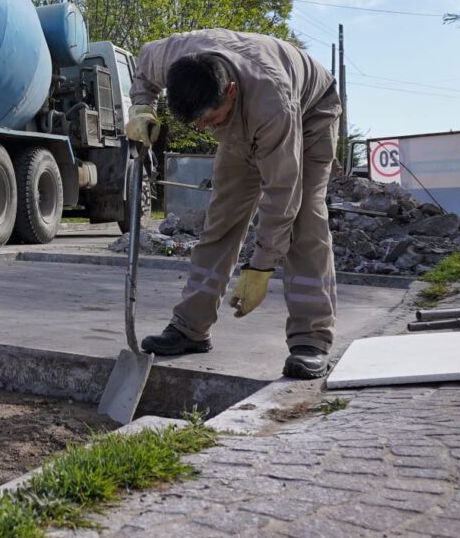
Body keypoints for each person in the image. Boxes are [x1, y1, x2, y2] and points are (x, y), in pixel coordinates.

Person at [125, 29, 341, 379]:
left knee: (304, 220)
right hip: (246, 118)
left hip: (311, 112)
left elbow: (282, 193)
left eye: (210, 120)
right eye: (197, 123)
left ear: (230, 91)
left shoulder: (273, 106)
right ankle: (190, 327)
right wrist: (141, 105)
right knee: (222, 218)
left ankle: (311, 339)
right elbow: (144, 62)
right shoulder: (173, 55)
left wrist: (261, 267)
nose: (203, 128)